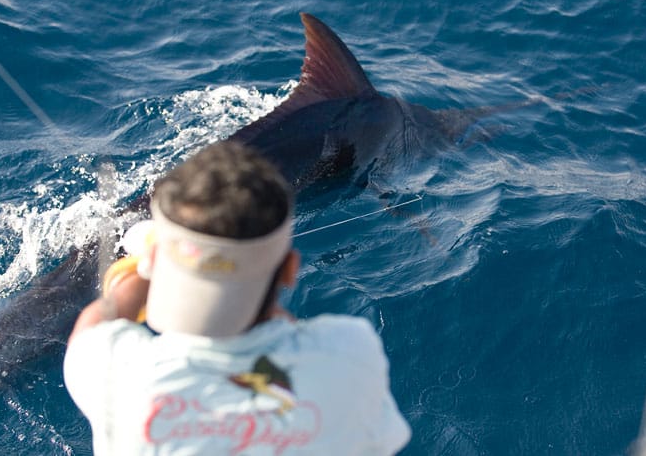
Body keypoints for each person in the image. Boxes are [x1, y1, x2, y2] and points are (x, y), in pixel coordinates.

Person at [64, 140, 411, 455]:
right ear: (290, 270)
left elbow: (95, 326)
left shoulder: (119, 375)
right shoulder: (352, 351)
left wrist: (143, 267)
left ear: (155, 264)